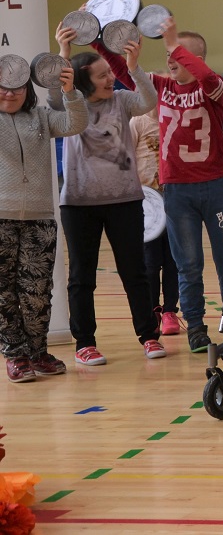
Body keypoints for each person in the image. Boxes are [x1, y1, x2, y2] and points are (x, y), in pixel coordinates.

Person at [54, 27, 164, 365]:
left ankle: (149, 336)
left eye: (110, 73)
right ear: (84, 82)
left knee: (135, 272)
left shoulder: (122, 101)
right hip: (79, 204)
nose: (109, 79)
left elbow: (149, 100)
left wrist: (133, 66)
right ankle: (84, 343)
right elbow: (58, 90)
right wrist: (64, 49)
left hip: (125, 201)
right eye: (103, 75)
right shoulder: (70, 106)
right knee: (81, 277)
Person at [152, 19, 223, 353]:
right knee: (188, 264)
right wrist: (102, 40)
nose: (172, 59)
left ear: (197, 57)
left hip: (218, 186)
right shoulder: (162, 87)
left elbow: (204, 75)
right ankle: (197, 328)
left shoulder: (212, 86)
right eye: (169, 54)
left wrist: (174, 43)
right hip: (177, 190)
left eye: (180, 54)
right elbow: (123, 76)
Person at [0, 62, 86, 382]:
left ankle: (37, 351)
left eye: (18, 87)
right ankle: (15, 354)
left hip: (39, 219)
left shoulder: (40, 118)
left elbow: (76, 122)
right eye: (4, 86)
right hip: (1, 219)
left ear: (27, 90)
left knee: (37, 291)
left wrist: (68, 90)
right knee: (3, 293)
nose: (10, 93)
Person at [130, 104, 181, 337]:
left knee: (172, 260)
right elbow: (127, 160)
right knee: (150, 262)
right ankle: (153, 311)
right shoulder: (137, 123)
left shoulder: (175, 122)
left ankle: (170, 310)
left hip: (173, 201)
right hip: (147, 205)